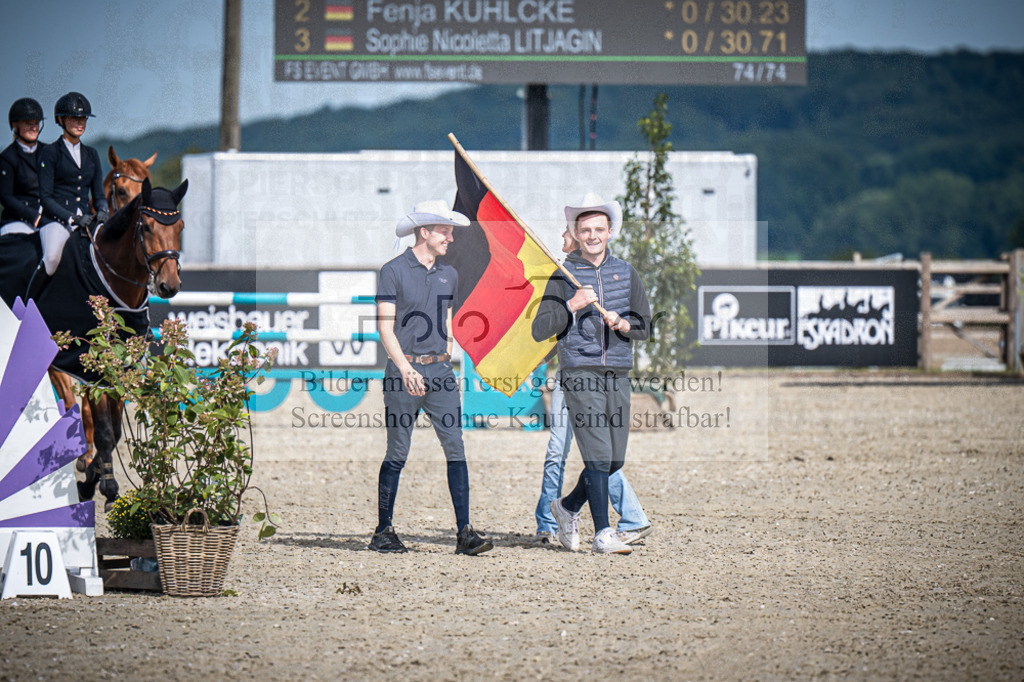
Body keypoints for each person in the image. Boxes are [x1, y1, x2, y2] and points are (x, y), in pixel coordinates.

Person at [369, 199, 493, 556]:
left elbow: (447, 320)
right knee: (398, 449)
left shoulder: (448, 274)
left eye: (450, 231)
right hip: (403, 370)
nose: (450, 238)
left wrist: (446, 356)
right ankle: (383, 530)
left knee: (455, 446)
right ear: (424, 232)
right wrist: (406, 369)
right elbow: (385, 328)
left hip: (440, 371)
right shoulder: (392, 270)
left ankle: (464, 532)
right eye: (444, 231)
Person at [531, 193, 651, 555]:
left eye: (599, 229)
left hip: (617, 369)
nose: (593, 235)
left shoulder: (627, 272)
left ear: (610, 231)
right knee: (598, 455)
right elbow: (540, 329)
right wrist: (571, 305)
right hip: (579, 370)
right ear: (577, 234)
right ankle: (603, 533)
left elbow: (645, 326)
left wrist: (624, 324)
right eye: (586, 230)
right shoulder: (563, 275)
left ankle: (566, 507)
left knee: (615, 460)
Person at [28, 92, 108, 299]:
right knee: (53, 258)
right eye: (74, 118)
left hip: (86, 220)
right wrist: (72, 218)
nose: (80, 123)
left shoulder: (92, 154)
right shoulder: (50, 153)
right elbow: (45, 198)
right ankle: (30, 302)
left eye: (83, 119)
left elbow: (98, 193)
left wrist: (102, 209)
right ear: (61, 120)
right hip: (57, 220)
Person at [0, 97, 46, 237]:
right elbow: (6, 196)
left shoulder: (49, 152)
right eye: (28, 123)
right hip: (18, 218)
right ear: (15, 125)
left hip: (47, 215)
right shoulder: (7, 158)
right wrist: (32, 216)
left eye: (36, 123)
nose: (33, 127)